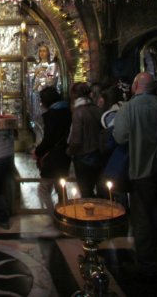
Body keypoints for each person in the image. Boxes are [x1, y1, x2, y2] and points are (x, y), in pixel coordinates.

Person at [113, 72, 157, 278]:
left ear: (135, 86)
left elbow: (120, 137)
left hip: (141, 168)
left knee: (142, 215)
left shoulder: (129, 108)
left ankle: (146, 261)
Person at [31, 86, 71, 214]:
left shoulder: (52, 116)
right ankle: (66, 215)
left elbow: (49, 139)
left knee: (43, 189)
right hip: (65, 156)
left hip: (53, 158)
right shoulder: (68, 112)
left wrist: (38, 152)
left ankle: (54, 217)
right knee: (61, 188)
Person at [67, 82, 104, 198]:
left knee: (86, 192)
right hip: (99, 155)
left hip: (83, 157)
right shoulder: (97, 110)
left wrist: (69, 151)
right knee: (99, 190)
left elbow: (76, 139)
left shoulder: (78, 112)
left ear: (74, 95)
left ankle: (89, 214)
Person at [27, 44, 59, 144]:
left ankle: (45, 141)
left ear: (49, 53)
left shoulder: (52, 66)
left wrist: (40, 82)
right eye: (40, 51)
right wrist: (34, 75)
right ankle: (38, 140)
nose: (42, 53)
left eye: (44, 51)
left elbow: (51, 80)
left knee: (45, 117)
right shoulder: (36, 66)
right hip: (35, 95)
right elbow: (29, 79)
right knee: (35, 117)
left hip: (45, 96)